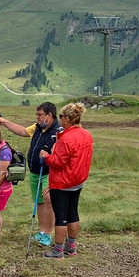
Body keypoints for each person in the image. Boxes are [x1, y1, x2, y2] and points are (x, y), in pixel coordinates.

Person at [0, 103, 61, 246]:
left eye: (40, 115)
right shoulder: (37, 127)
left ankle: (48, 234)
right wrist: (4, 122)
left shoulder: (58, 131)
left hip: (50, 171)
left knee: (48, 200)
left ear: (49, 115)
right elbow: (23, 131)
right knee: (40, 201)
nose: (37, 118)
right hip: (35, 171)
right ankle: (42, 231)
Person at [39, 103, 93, 258]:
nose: (60, 119)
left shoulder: (67, 138)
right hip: (78, 180)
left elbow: (58, 162)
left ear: (68, 119)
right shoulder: (86, 134)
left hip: (62, 181)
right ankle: (71, 246)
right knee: (72, 213)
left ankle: (58, 250)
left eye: (62, 116)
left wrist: (46, 157)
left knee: (61, 215)